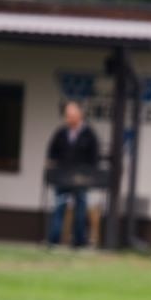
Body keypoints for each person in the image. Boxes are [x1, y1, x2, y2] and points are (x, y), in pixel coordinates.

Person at [46, 101, 101, 248]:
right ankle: (54, 240)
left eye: (71, 116)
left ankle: (79, 242)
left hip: (81, 180)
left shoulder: (89, 135)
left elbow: (94, 158)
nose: (68, 119)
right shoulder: (61, 133)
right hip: (62, 178)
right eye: (67, 116)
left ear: (79, 115)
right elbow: (52, 153)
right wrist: (52, 166)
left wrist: (89, 175)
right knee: (59, 207)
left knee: (80, 210)